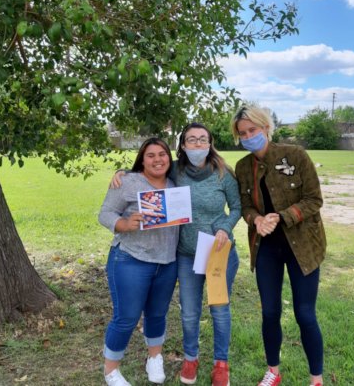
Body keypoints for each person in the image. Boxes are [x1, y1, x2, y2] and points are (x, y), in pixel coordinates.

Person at [111, 123, 241, 386]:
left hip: (217, 252)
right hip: (185, 254)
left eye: (203, 139)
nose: (197, 145)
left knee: (219, 310)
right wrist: (122, 173)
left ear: (210, 143)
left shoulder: (223, 174)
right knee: (189, 312)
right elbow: (150, 165)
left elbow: (237, 207)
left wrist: (225, 227)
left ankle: (221, 364)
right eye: (191, 140)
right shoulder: (176, 170)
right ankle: (191, 358)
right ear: (183, 145)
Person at [231, 105, 326, 386]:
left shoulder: (295, 155)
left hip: (303, 246)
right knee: (270, 311)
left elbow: (314, 199)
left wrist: (282, 216)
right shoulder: (243, 167)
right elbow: (245, 206)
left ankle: (316, 379)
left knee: (305, 313)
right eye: (243, 133)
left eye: (253, 130)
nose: (249, 136)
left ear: (266, 128)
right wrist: (256, 220)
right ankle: (273, 371)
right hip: (267, 249)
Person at [98, 137, 180, 386]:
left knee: (157, 314)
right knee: (126, 317)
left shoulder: (176, 182)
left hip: (167, 261)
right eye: (151, 155)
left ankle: (154, 358)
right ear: (142, 160)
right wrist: (124, 224)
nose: (158, 159)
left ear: (170, 157)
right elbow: (105, 213)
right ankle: (111, 370)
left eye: (162, 154)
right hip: (131, 259)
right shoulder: (128, 181)